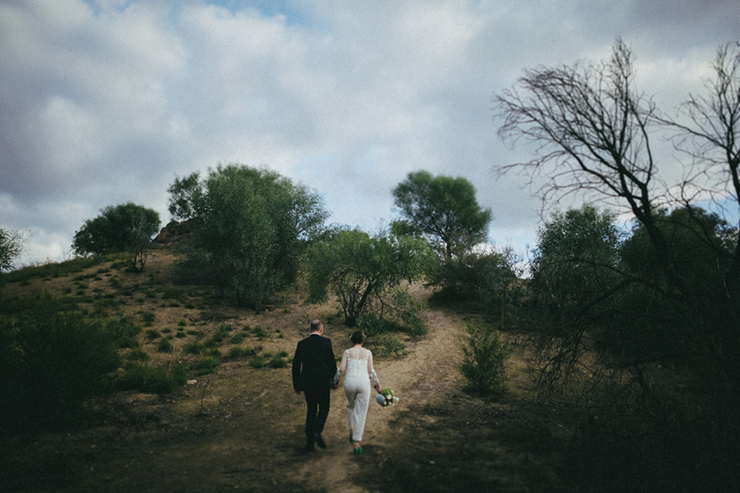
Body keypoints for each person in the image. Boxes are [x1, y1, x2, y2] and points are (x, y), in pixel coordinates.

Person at [333, 330, 382, 455]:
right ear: (363, 341)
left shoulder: (347, 352)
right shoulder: (368, 353)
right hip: (363, 383)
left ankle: (351, 430)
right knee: (361, 411)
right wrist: (377, 385)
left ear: (352, 340)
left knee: (351, 406)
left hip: (350, 382)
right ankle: (356, 442)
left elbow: (342, 368)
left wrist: (335, 380)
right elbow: (371, 371)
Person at [292, 320, 337, 451]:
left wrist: (297, 384)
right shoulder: (326, 342)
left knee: (311, 409)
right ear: (321, 329)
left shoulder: (302, 344)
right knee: (324, 407)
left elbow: (296, 365)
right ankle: (316, 431)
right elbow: (331, 362)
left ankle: (309, 442)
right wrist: (334, 381)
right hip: (323, 381)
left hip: (307, 381)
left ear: (309, 329)